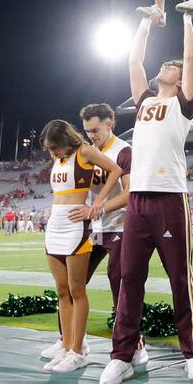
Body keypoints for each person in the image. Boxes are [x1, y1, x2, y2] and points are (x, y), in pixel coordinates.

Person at [99, 15, 193, 384]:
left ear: (179, 81)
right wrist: (144, 22)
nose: (168, 66)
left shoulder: (183, 104)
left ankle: (191, 351)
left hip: (169, 198)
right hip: (138, 201)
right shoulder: (144, 99)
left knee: (179, 277)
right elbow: (133, 62)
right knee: (130, 277)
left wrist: (187, 19)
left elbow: (191, 62)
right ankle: (122, 355)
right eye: (165, 64)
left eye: (172, 66)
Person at [38, 119, 124, 372]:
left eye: (55, 147)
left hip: (77, 227)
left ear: (65, 140)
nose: (52, 153)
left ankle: (78, 352)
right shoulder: (59, 158)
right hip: (55, 225)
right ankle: (66, 347)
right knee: (62, 290)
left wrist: (96, 203)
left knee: (77, 290)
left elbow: (116, 170)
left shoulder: (84, 151)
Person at [61, 103, 135, 364]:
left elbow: (129, 193)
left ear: (109, 124)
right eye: (87, 131)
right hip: (92, 228)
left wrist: (97, 208)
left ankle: (135, 346)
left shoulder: (123, 151)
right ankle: (70, 343)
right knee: (72, 285)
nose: (91, 134)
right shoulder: (85, 152)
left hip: (119, 226)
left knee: (120, 285)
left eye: (95, 129)